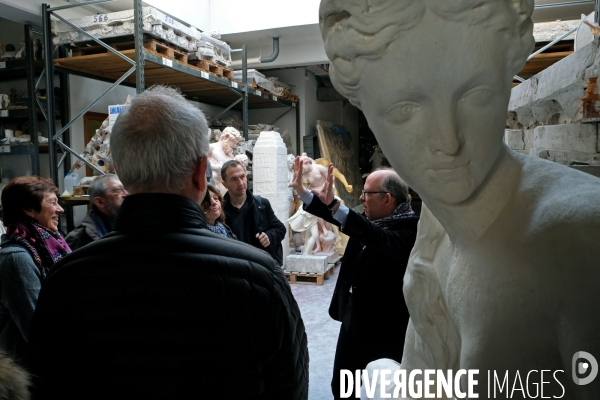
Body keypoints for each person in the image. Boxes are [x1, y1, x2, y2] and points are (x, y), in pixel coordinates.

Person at [320, 0, 600, 398]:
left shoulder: (578, 241)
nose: (448, 142)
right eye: (405, 108)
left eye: (477, 93)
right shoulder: (436, 215)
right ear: (364, 108)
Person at [28, 86, 309, 399]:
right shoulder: (259, 277)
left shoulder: (65, 280)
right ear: (202, 173)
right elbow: (290, 389)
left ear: (119, 173)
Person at [289, 158, 418, 399]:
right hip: (353, 319)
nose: (361, 198)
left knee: (383, 389)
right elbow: (343, 219)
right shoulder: (371, 220)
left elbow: (376, 237)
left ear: (387, 198)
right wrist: (303, 193)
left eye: (367, 193)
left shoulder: (410, 231)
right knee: (341, 387)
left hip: (385, 329)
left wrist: (336, 206)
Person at [0, 176, 70, 368]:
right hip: (26, 374)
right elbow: (38, 330)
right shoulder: (16, 259)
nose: (60, 209)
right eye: (52, 202)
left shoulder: (45, 247)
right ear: (29, 210)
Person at [221, 160, 286, 266]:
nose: (240, 183)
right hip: (234, 268)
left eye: (242, 177)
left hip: (260, 267)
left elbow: (280, 229)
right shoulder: (220, 211)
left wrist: (269, 236)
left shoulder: (261, 204)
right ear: (225, 184)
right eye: (234, 179)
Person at [65, 174, 127, 250]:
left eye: (125, 189)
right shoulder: (78, 238)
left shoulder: (130, 226)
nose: (126, 194)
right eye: (118, 190)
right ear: (100, 202)